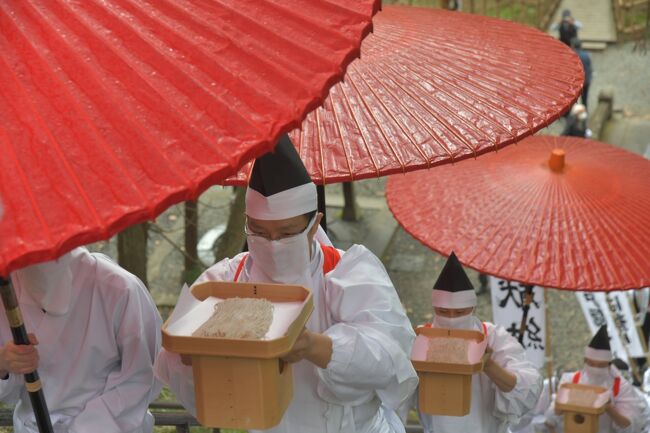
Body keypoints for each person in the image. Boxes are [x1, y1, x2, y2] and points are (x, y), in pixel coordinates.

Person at [155, 135, 418, 433]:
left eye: (286, 233)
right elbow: (175, 362)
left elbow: (390, 357)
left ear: (314, 225)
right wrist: (194, 360)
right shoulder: (225, 282)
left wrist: (313, 345)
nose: (273, 244)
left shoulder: (348, 272)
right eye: (259, 232)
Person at [0, 247, 162, 433]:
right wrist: (5, 363)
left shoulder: (119, 288)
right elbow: (8, 391)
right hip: (33, 425)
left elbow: (141, 377)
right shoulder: (6, 293)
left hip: (109, 426)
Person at [417, 252, 542, 433]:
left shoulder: (491, 336)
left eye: (460, 313)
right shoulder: (423, 337)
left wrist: (489, 365)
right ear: (434, 308)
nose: (452, 319)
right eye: (443, 312)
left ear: (472, 308)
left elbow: (529, 387)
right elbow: (397, 389)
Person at [544, 326, 647, 433]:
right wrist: (561, 405)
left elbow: (630, 426)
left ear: (609, 364)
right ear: (585, 361)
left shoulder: (620, 386)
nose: (596, 369)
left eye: (601, 365)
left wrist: (608, 407)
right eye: (591, 364)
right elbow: (550, 420)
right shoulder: (571, 380)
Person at [570, 38, 593, 109]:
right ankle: (584, 113)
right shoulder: (586, 54)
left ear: (573, 46)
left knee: (572, 100)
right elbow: (589, 68)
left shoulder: (574, 56)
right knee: (585, 99)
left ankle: (574, 115)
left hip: (577, 82)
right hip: (587, 80)